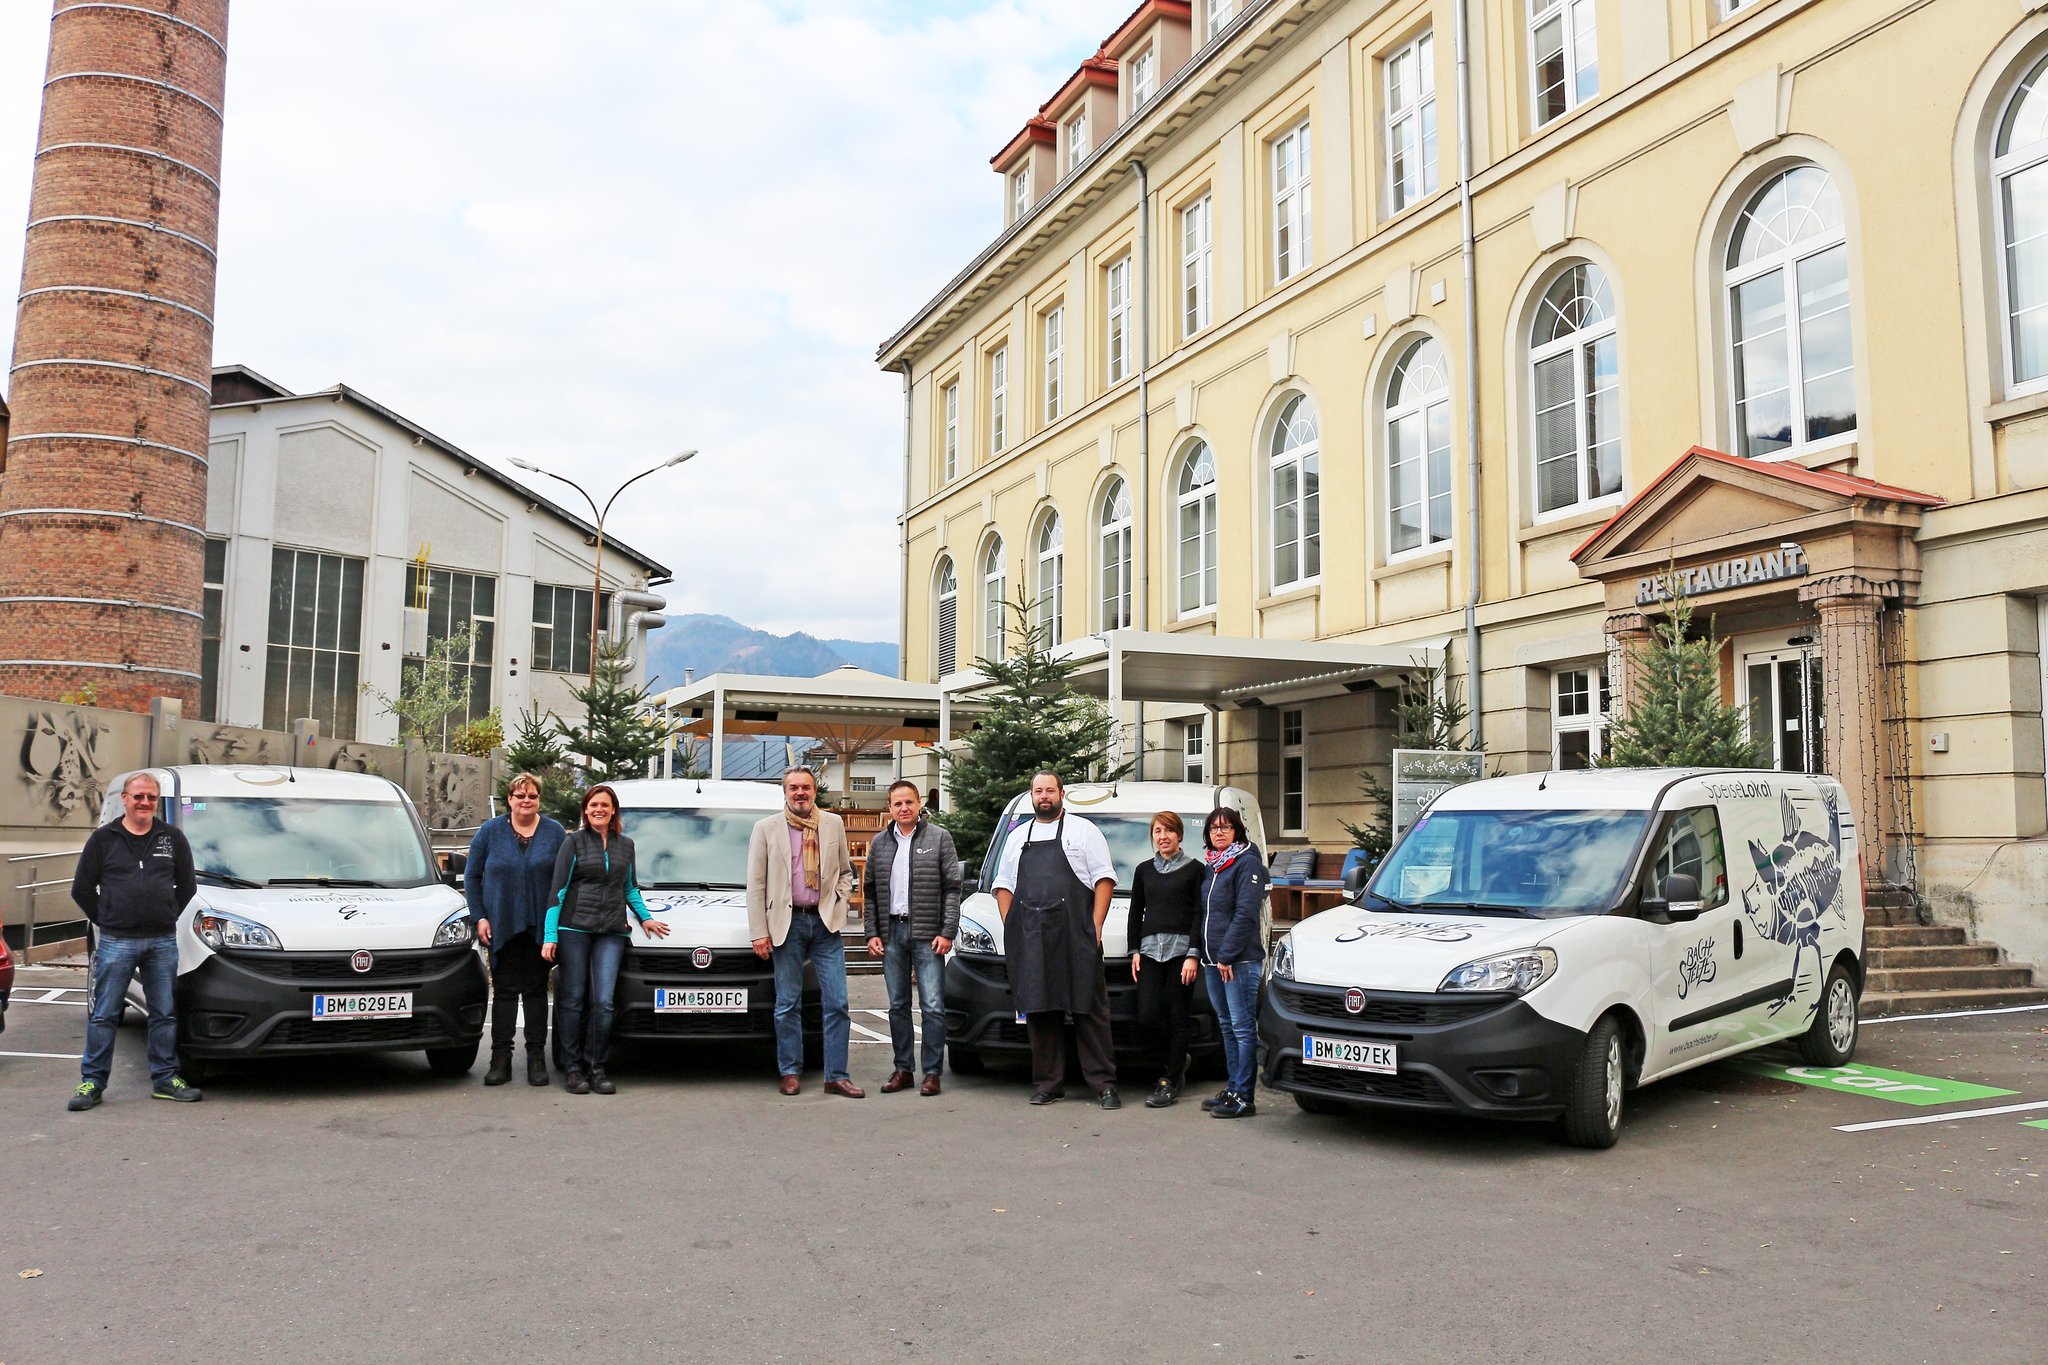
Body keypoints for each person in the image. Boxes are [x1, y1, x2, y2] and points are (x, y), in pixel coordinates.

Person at [67, 771, 201, 1110]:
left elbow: (187, 887)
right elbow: (81, 889)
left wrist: (167, 914)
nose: (144, 803)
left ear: (157, 802)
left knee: (164, 1014)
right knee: (105, 1014)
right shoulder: (103, 839)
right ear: (125, 799)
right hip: (116, 941)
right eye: (138, 796)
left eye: (151, 798)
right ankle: (92, 1083)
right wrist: (108, 919)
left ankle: (166, 1079)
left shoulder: (172, 838)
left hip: (161, 942)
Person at [994, 770, 1120, 1110]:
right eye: (1038, 791)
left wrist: (1094, 928)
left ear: (1061, 794)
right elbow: (1002, 885)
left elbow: (1104, 880)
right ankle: (1049, 1083)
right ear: (1031, 796)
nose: (1044, 796)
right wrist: (1012, 926)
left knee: (1089, 1010)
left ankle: (1103, 1084)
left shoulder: (1084, 831)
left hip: (1076, 936)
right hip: (1032, 939)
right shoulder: (1018, 836)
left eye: (1050, 790)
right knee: (1040, 1010)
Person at [541, 785, 669, 1095]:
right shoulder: (573, 843)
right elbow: (558, 890)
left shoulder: (625, 845)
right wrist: (549, 935)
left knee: (604, 1002)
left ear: (613, 811)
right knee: (572, 1000)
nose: (599, 809)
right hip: (574, 930)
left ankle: (596, 1067)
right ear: (585, 810)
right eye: (593, 804)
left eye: (605, 805)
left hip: (612, 931)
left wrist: (646, 917)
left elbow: (629, 888)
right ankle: (572, 1069)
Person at [747, 766, 860, 1097]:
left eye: (806, 788)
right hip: (787, 924)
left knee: (837, 1002)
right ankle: (790, 1071)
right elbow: (755, 884)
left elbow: (844, 870)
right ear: (785, 791)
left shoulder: (833, 824)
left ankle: (836, 1075)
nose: (800, 793)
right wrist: (759, 931)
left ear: (814, 791)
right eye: (794, 787)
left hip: (825, 923)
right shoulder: (766, 829)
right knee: (787, 1003)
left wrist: (840, 899)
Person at [465, 772, 567, 1087]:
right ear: (509, 799)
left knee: (536, 991)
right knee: (506, 992)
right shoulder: (489, 831)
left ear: (539, 800)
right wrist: (479, 916)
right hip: (501, 924)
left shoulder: (554, 832)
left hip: (541, 925)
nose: (526, 801)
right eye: (520, 795)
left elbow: (565, 879)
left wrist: (558, 925)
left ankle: (536, 1059)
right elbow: (472, 877)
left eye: (532, 796)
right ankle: (500, 1059)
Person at [863, 780, 961, 1096]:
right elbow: (870, 893)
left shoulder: (940, 838)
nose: (904, 808)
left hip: (928, 934)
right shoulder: (879, 843)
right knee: (897, 1005)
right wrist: (872, 932)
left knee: (933, 1005)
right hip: (891, 933)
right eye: (897, 804)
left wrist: (947, 931)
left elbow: (952, 889)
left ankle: (932, 1072)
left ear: (919, 804)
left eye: (909, 802)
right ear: (889, 808)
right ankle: (903, 1069)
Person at [1189, 806, 1266, 1119]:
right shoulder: (1214, 865)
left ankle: (1245, 1096)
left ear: (1238, 831)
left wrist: (1226, 955)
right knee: (1227, 1026)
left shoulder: (1247, 863)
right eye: (1214, 828)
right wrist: (1208, 955)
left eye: (1226, 827)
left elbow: (1245, 915)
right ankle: (1233, 1086)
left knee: (1243, 1028)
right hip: (1214, 962)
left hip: (1239, 961)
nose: (1219, 832)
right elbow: (1207, 915)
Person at [1127, 810, 1204, 1108]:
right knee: (1146, 1015)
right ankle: (1178, 1056)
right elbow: (1136, 913)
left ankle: (1169, 1079)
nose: (1163, 837)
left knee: (1177, 1015)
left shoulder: (1195, 870)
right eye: (1158, 831)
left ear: (1180, 835)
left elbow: (1199, 913)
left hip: (1181, 954)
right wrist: (1134, 950)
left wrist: (1193, 954)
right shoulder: (1144, 870)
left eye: (1169, 831)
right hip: (1149, 953)